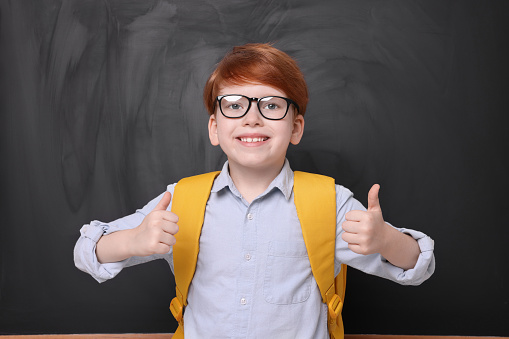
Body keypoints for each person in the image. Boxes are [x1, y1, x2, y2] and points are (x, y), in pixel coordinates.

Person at [74, 43, 435, 338]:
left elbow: (419, 265)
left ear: (296, 127)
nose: (252, 117)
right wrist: (132, 241)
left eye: (272, 105)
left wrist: (386, 240)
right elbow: (87, 251)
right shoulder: (181, 201)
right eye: (234, 105)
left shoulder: (332, 203)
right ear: (214, 128)